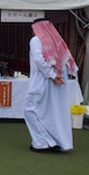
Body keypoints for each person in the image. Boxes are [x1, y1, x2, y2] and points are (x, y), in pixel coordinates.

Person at [23, 18, 78, 153]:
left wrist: (51, 75)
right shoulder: (57, 41)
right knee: (51, 113)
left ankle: (43, 142)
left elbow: (39, 60)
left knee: (29, 109)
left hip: (43, 80)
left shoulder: (36, 40)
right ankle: (56, 140)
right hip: (58, 82)